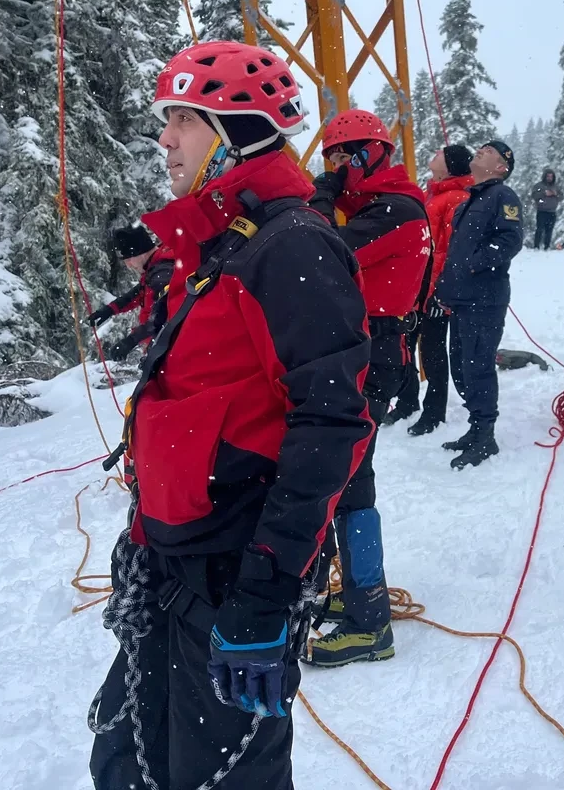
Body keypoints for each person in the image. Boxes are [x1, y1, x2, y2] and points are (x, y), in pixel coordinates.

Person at [90, 41, 373, 790]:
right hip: (173, 554)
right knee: (124, 762)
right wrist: (145, 530)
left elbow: (331, 425)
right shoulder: (218, 242)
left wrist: (265, 593)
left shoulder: (292, 247)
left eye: (183, 119)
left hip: (236, 567)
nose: (165, 138)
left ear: (237, 133)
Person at [306, 109, 430, 667]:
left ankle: (369, 621)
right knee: (349, 476)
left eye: (345, 156)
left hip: (370, 354)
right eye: (331, 157)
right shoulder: (381, 206)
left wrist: (320, 195)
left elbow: (317, 252)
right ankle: (359, 596)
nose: (338, 167)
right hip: (365, 349)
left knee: (349, 476)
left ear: (370, 154)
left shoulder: (394, 210)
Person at [435, 139, 524, 468]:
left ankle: (485, 435)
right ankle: (475, 428)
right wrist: (445, 287)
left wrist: (474, 264)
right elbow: (455, 253)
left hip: (485, 299)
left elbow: (510, 239)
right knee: (462, 366)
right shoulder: (469, 200)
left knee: (478, 366)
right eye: (482, 147)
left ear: (501, 167)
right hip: (461, 298)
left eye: (491, 151)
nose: (482, 150)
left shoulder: (503, 195)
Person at [406, 145, 474, 437]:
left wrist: (440, 292)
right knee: (407, 344)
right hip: (419, 284)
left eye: (440, 154)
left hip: (435, 289)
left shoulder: (457, 198)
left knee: (432, 350)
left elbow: (452, 251)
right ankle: (408, 401)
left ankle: (434, 411)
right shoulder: (432, 193)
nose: (434, 155)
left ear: (450, 166)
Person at [89, 226, 176, 360]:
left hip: (170, 349)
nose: (128, 265)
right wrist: (110, 309)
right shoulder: (154, 268)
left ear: (141, 252)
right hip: (163, 347)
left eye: (129, 259)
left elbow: (162, 317)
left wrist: (131, 340)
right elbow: (138, 293)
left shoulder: (163, 273)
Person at [529, 168, 562, 250]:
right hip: (542, 211)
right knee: (539, 229)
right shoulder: (539, 186)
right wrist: (544, 193)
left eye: (551, 176)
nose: (550, 178)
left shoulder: (556, 186)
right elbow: (534, 195)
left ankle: (547, 246)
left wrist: (556, 194)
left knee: (549, 230)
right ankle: (536, 246)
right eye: (548, 176)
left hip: (552, 211)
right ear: (544, 177)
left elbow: (561, 196)